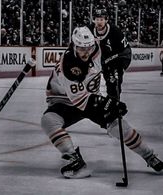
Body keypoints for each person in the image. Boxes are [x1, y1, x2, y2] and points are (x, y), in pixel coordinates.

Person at [40, 26, 163, 179]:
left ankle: (149, 156)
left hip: (91, 96)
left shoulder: (99, 47)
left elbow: (117, 59)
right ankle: (73, 159)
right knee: (48, 121)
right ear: (73, 46)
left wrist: (115, 73)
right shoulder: (69, 65)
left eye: (88, 47)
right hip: (64, 101)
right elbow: (82, 101)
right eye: (81, 48)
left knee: (116, 124)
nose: (86, 52)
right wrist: (109, 103)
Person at [89, 8, 132, 98]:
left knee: (115, 81)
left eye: (102, 19)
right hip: (105, 59)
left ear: (106, 20)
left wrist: (116, 65)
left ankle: (115, 102)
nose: (99, 22)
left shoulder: (115, 31)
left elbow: (124, 51)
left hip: (119, 58)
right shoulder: (89, 30)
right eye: (97, 19)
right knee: (108, 80)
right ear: (93, 20)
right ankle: (110, 100)